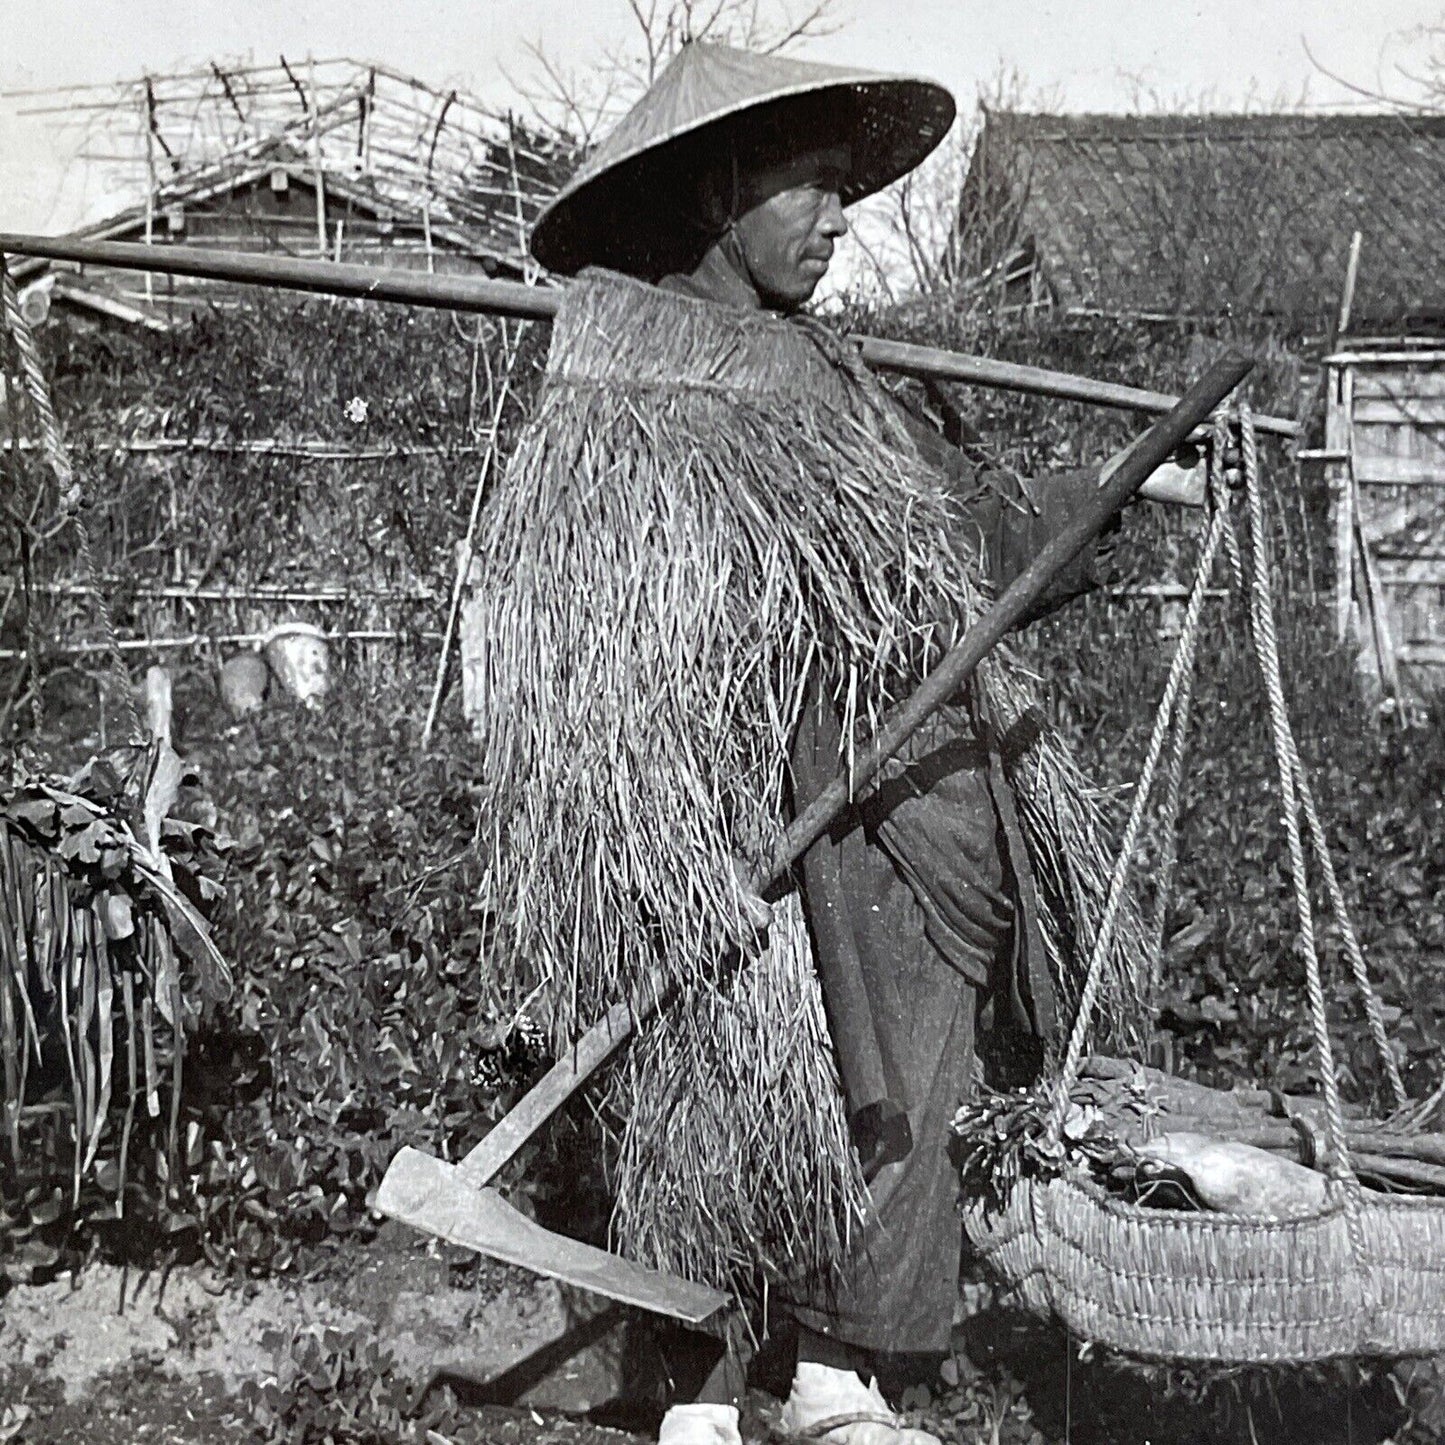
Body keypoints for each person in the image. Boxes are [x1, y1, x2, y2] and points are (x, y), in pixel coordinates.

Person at [479, 42, 1201, 1445]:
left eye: (840, 191)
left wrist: (1121, 483)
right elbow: (616, 633)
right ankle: (720, 1382)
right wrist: (676, 815)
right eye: (805, 187)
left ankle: (825, 1374)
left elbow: (956, 545)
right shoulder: (642, 374)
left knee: (889, 1080)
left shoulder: (827, 373)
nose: (835, 220)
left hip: (880, 802)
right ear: (719, 192)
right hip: (725, 811)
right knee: (733, 1082)